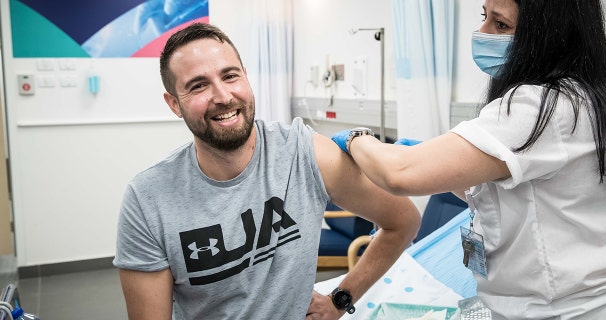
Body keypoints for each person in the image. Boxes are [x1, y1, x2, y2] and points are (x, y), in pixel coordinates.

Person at [332, 0, 606, 319]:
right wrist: (449, 169)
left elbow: (399, 174)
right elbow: (520, 199)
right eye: (484, 17)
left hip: (574, 309)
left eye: (501, 24)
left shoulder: (542, 106)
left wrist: (357, 138)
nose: (482, 33)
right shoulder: (587, 97)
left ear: (547, 35)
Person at [113, 23, 420, 319]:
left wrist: (340, 300)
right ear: (174, 104)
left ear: (246, 77)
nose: (222, 96)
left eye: (230, 76)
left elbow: (402, 221)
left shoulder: (305, 154)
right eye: (198, 86)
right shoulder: (148, 200)